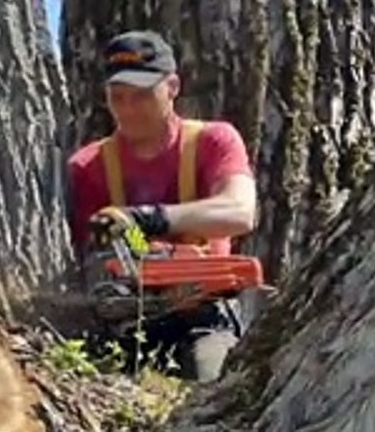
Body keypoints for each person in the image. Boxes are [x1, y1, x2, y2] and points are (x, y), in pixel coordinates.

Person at [65, 30, 258, 382]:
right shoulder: (88, 166)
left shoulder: (212, 141)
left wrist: (148, 219)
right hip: (124, 324)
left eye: (141, 96)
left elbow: (240, 211)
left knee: (210, 383)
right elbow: (89, 259)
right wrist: (136, 245)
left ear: (172, 87)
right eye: (117, 97)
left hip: (203, 318)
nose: (127, 109)